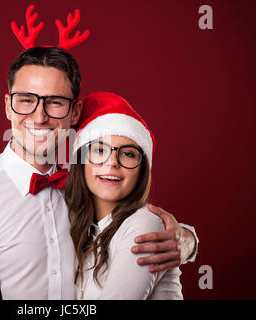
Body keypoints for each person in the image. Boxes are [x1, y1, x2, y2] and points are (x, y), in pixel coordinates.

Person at [0, 47, 197, 300]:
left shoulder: (87, 188)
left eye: (55, 102)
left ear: (75, 112)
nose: (39, 116)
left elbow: (125, 229)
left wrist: (185, 240)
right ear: (8, 106)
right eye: (27, 100)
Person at [65, 91, 183, 299]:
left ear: (141, 170)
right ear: (81, 162)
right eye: (100, 151)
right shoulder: (78, 226)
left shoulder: (144, 225)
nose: (112, 162)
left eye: (128, 154)